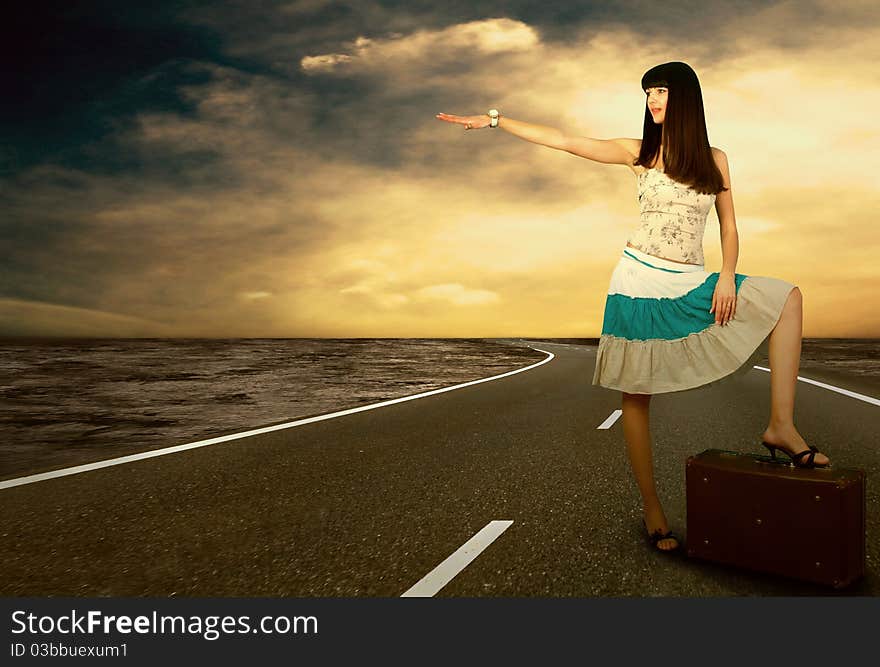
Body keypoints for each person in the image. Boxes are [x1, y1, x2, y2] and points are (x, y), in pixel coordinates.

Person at [435, 61, 830, 554]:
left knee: (788, 297)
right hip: (638, 279)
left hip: (692, 277)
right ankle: (652, 508)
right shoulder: (639, 152)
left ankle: (780, 426)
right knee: (637, 392)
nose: (653, 101)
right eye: (647, 94)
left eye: (660, 91)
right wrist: (496, 121)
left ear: (684, 96)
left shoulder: (716, 158)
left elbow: (729, 225)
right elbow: (564, 140)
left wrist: (727, 275)